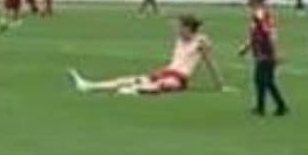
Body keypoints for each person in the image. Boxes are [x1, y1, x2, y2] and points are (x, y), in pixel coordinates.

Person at [69, 14, 222, 96]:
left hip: (179, 76)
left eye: (180, 27)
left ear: (188, 28)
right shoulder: (180, 38)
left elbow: (210, 63)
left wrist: (219, 86)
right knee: (129, 79)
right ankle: (90, 85)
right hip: (167, 70)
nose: (177, 29)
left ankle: (133, 90)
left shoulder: (201, 41)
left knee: (162, 85)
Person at [240, 0, 290, 117]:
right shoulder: (258, 13)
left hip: (265, 52)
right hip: (260, 52)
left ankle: (281, 105)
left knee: (266, 80)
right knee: (260, 79)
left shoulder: (261, 14)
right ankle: (261, 107)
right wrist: (247, 47)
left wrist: (274, 53)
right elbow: (256, 34)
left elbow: (269, 33)